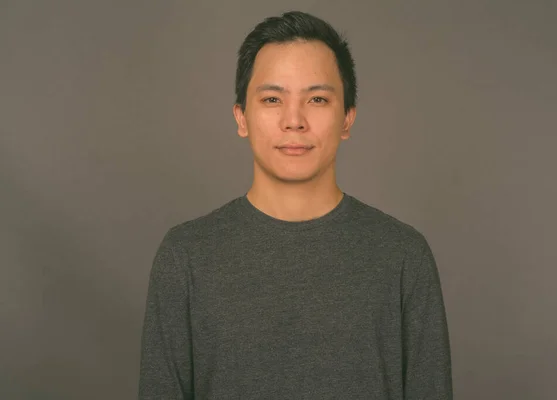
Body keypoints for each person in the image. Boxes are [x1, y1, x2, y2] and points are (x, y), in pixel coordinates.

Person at [138, 10, 452, 400]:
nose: (294, 120)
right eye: (272, 99)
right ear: (241, 117)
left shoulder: (404, 256)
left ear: (347, 119)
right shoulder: (185, 256)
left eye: (317, 99)